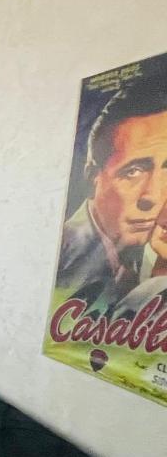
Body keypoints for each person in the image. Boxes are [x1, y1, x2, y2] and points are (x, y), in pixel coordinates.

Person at [57, 72, 167, 308]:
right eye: (133, 171)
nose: (154, 197)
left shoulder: (150, 254)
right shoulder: (65, 263)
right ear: (92, 177)